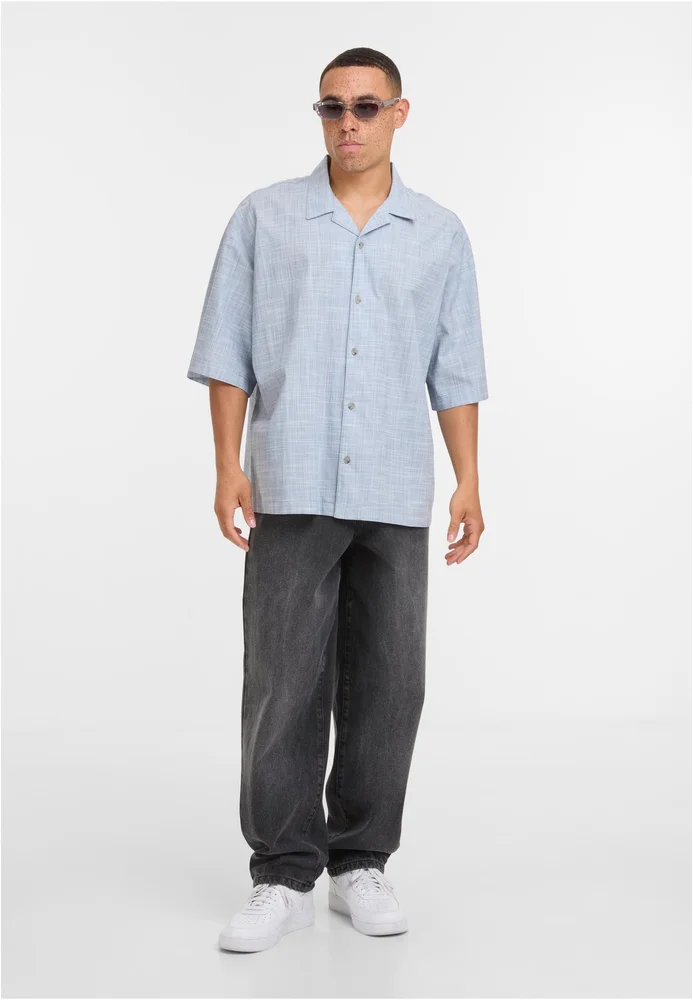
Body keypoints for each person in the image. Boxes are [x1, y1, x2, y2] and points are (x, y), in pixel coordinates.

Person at [187, 47, 489, 953]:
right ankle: (282, 873)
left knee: (390, 681)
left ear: (399, 113)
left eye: (364, 106)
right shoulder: (265, 217)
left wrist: (469, 477)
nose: (347, 122)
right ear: (319, 115)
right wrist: (227, 464)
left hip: (394, 485)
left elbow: (455, 367)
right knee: (282, 679)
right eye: (331, 107)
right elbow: (227, 349)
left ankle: (360, 861)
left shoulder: (438, 233)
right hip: (290, 478)